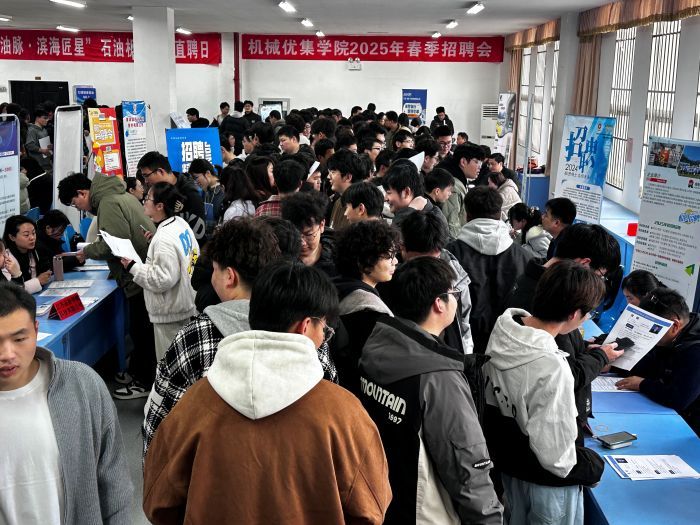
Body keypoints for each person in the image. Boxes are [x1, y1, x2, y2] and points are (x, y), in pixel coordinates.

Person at [143, 261, 392, 524]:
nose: (324, 338)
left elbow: (157, 501)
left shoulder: (195, 403)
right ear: (305, 326)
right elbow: (371, 509)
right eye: (324, 329)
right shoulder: (344, 413)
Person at [359, 257, 502, 524]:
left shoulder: (375, 345)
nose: (457, 300)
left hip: (383, 500)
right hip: (424, 512)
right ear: (439, 303)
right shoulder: (439, 378)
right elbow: (467, 467)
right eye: (454, 293)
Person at [142, 218, 281, 456]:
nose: (212, 275)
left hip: (212, 465)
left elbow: (159, 421)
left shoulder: (195, 337)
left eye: (215, 269)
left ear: (230, 277)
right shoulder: (302, 330)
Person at [484, 261, 606, 524]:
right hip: (547, 488)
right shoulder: (551, 367)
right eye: (588, 313)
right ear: (574, 314)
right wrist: (592, 467)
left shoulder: (505, 328)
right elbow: (557, 458)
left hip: (512, 467)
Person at [0, 282, 133, 524]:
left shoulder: (82, 384)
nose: (7, 354)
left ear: (35, 330)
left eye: (19, 339)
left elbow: (115, 481)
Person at [506, 223, 624, 441]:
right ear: (584, 263)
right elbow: (563, 374)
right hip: (548, 427)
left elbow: (562, 349)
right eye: (600, 275)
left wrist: (586, 348)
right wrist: (601, 357)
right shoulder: (553, 296)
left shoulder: (533, 278)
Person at [58, 172, 157, 399]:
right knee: (142, 330)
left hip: (138, 276)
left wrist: (87, 252)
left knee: (141, 331)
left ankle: (145, 382)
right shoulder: (120, 195)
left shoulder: (108, 203)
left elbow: (115, 244)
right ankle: (140, 372)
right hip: (142, 270)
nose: (78, 207)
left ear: (82, 193)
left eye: (75, 202)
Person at [446, 187, 531, 354]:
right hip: (510, 345)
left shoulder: (450, 254)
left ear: (467, 215)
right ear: (500, 214)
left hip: (462, 346)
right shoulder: (525, 258)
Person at [120, 182, 199, 362]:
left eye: (148, 198)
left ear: (160, 206)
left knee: (171, 364)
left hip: (172, 312)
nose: (144, 201)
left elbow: (162, 279)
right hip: (186, 302)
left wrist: (133, 267)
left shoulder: (163, 239)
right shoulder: (179, 223)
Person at [616, 288, 700, 435]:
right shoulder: (673, 334)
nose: (647, 334)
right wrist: (614, 365)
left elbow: (680, 398)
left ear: (675, 325)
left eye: (652, 328)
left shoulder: (695, 350)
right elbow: (650, 364)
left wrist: (642, 384)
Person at [332, 220, 400, 394]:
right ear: (364, 261)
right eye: (389, 256)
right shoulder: (369, 311)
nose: (395, 261)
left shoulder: (334, 287)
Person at [399, 210, 474, 354]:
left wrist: (466, 354)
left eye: (433, 260)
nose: (429, 269)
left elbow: (464, 322)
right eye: (420, 262)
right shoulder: (390, 274)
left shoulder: (455, 273)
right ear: (402, 247)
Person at [137, 151, 207, 245]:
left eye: (146, 175)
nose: (145, 181)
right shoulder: (160, 192)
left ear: (160, 171)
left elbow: (198, 236)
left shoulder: (190, 194)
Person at [281, 191, 338, 277]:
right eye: (295, 235)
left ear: (321, 225)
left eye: (308, 234)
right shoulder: (281, 259)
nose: (302, 243)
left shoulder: (336, 257)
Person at [436, 143, 484, 238]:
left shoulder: (452, 178)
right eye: (476, 162)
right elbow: (451, 225)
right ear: (463, 162)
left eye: (481, 163)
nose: (480, 167)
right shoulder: (453, 187)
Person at [383, 159, 446, 228]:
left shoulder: (428, 221)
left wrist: (408, 211)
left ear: (406, 192)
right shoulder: (422, 211)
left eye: (389, 193)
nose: (385, 198)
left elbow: (395, 233)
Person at [2, 215, 52, 294]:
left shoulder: (35, 251)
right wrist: (38, 281)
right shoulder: (6, 259)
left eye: (33, 233)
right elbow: (10, 292)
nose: (32, 238)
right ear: (12, 237)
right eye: (26, 235)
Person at [327, 149, 370, 230]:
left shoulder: (360, 208)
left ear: (348, 177)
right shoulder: (338, 201)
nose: (328, 177)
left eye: (333, 172)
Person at [188, 158, 225, 236]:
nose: (196, 182)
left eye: (196, 177)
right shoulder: (204, 192)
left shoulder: (223, 192)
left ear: (208, 173)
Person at [25, 107, 53, 176]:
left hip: (47, 163)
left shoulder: (44, 130)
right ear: (37, 118)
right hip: (38, 165)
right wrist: (42, 150)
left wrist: (50, 146)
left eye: (47, 118)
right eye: (45, 118)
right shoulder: (32, 130)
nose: (47, 120)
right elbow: (29, 145)